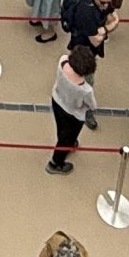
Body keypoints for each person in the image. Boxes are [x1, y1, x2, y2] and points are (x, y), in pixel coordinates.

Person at [46, 42, 97, 174]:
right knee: (67, 137)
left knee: (61, 129)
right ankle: (56, 163)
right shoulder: (85, 89)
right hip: (73, 114)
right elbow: (92, 105)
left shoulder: (62, 61)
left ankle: (66, 144)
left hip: (57, 100)